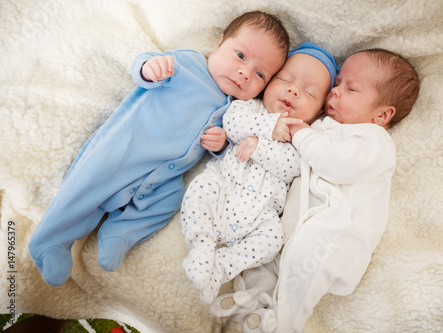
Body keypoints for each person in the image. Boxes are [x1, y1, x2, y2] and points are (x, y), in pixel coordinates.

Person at [28, 10, 290, 287]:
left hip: (162, 175)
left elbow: (229, 149)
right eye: (240, 56)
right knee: (86, 186)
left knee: (170, 199)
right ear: (219, 44)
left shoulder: (234, 108)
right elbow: (145, 64)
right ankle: (50, 241)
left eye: (260, 74)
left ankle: (121, 233)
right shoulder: (187, 63)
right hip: (125, 148)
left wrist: (220, 144)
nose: (245, 73)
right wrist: (150, 68)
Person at [210, 48, 420, 333]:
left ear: (382, 114)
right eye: (337, 84)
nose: (335, 92)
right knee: (268, 259)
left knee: (300, 269)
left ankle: (286, 322)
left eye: (351, 88)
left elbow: (335, 165)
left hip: (334, 235)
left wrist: (302, 135)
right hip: (296, 225)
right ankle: (249, 304)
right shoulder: (323, 126)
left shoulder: (375, 141)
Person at [181, 42, 339, 304]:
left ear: (320, 110)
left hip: (259, 215)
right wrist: (270, 124)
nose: (293, 90)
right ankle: (201, 246)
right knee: (200, 189)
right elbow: (231, 124)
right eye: (285, 79)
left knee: (273, 239)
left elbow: (292, 168)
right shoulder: (250, 107)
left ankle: (219, 267)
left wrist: (259, 146)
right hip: (223, 188)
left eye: (309, 93)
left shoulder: (304, 136)